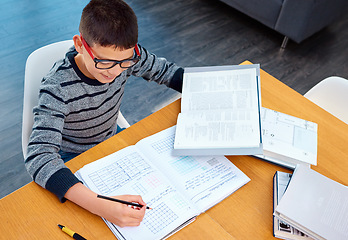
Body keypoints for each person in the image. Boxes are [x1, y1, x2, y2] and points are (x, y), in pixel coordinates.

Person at [24, 0, 183, 227]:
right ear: (80, 44)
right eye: (105, 62)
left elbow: (166, 71)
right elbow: (39, 156)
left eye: (124, 62)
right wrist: (101, 205)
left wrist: (207, 90)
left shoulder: (128, 57)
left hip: (112, 141)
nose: (115, 71)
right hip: (74, 158)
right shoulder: (57, 87)